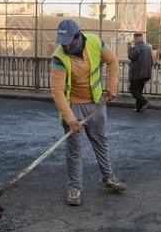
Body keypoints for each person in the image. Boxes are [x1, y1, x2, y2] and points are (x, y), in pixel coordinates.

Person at [49, 19, 125, 206]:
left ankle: (108, 177)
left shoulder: (94, 41)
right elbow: (57, 92)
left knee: (100, 141)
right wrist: (70, 119)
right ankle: (75, 188)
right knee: (74, 150)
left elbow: (112, 61)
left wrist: (112, 87)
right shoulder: (59, 58)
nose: (65, 45)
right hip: (73, 106)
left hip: (96, 104)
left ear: (78, 36)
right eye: (62, 42)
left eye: (69, 41)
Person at [127, 32, 153, 113]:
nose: (134, 40)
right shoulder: (148, 48)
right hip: (146, 73)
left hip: (137, 73)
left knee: (133, 89)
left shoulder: (137, 48)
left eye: (134, 39)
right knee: (139, 90)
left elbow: (130, 56)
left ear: (137, 39)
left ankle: (144, 102)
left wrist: (129, 48)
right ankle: (139, 107)